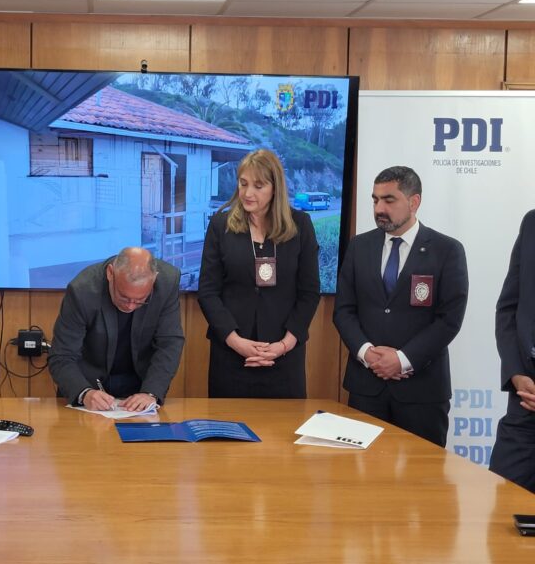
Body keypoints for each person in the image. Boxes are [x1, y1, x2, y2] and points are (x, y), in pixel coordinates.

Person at [333, 166, 468, 447]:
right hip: (366, 387)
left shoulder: (446, 250)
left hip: (422, 391)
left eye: (388, 200)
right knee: (361, 472)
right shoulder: (359, 247)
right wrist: (367, 353)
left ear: (414, 202)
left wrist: (402, 359)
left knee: (423, 472)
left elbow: (449, 320)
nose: (379, 208)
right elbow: (344, 310)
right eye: (375, 200)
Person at [198, 148, 320, 398]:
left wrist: (284, 345)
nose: (247, 193)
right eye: (243, 184)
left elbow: (309, 292)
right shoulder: (220, 225)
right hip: (231, 354)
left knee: (284, 422)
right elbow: (208, 292)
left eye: (258, 185)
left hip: (283, 355)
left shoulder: (300, 225)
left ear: (275, 188)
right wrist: (236, 342)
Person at [49, 247, 184, 411]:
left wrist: (151, 392)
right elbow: (62, 355)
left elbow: (169, 343)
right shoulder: (82, 290)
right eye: (124, 297)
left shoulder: (167, 282)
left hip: (140, 383)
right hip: (88, 385)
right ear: (110, 273)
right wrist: (84, 393)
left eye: (140, 300)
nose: (130, 306)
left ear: (154, 279)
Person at [489, 210, 535, 492]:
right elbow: (507, 308)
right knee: (506, 507)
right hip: (525, 404)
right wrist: (516, 373)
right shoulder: (532, 223)